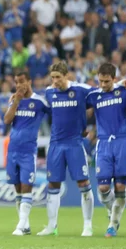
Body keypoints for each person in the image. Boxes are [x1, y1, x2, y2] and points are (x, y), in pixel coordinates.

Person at [38, 61, 96, 237]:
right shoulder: (49, 92)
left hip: (74, 144)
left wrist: (87, 125)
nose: (55, 81)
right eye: (52, 77)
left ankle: (87, 225)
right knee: (53, 184)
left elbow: (101, 97)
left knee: (83, 184)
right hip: (56, 144)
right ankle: (51, 226)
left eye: (58, 77)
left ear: (66, 76)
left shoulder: (81, 90)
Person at [85, 63, 126, 238]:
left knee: (120, 186)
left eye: (106, 81)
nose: (103, 84)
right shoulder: (94, 95)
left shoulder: (125, 89)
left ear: (114, 79)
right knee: (102, 188)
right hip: (103, 143)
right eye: (100, 81)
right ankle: (112, 213)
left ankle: (112, 225)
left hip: (123, 140)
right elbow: (78, 103)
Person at [3, 70, 49, 236]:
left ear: (29, 81)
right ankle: (26, 225)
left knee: (26, 187)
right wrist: (16, 101)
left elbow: (54, 114)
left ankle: (20, 225)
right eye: (16, 82)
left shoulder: (39, 102)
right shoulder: (15, 100)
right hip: (13, 149)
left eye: (21, 81)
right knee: (18, 189)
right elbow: (7, 120)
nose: (18, 85)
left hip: (28, 151)